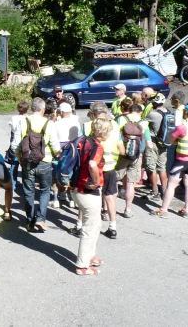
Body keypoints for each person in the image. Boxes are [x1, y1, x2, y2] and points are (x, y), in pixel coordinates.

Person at [150, 103, 188, 219]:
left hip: (182, 160)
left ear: (186, 113)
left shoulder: (182, 127)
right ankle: (187, 210)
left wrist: (176, 141)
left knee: (171, 185)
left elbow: (171, 139)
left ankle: (164, 210)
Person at [17, 97, 61, 233]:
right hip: (45, 162)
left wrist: (20, 159)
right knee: (45, 190)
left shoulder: (24, 122)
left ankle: (30, 220)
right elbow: (55, 146)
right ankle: (41, 219)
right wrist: (57, 154)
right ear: (43, 110)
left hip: (27, 162)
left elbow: (15, 146)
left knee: (28, 192)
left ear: (32, 109)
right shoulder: (48, 124)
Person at [81, 102, 122, 239]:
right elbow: (121, 148)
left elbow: (83, 146)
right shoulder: (115, 126)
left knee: (88, 196)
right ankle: (112, 227)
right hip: (110, 167)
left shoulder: (88, 126)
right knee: (110, 197)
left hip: (94, 168)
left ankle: (80, 225)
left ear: (93, 113)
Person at [73, 118, 107, 276]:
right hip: (87, 190)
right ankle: (82, 266)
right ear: (104, 132)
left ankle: (90, 256)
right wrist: (95, 181)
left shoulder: (84, 140)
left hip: (76, 187)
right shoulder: (97, 147)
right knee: (89, 228)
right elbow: (92, 164)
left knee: (96, 224)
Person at [115, 101, 149, 219]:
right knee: (130, 183)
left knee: (114, 180)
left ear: (129, 111)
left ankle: (108, 208)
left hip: (122, 154)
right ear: (140, 112)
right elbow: (148, 143)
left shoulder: (122, 119)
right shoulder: (144, 123)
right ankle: (128, 209)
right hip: (136, 156)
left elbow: (116, 135)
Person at [51, 101, 80, 209]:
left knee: (56, 172)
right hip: (73, 150)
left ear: (61, 112)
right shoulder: (76, 123)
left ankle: (55, 198)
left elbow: (53, 139)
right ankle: (71, 199)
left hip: (61, 149)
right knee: (70, 172)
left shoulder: (57, 124)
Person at [145, 93, 169, 201]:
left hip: (154, 142)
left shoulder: (152, 114)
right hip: (164, 143)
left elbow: (142, 123)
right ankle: (164, 190)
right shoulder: (169, 113)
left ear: (155, 102)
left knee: (151, 167)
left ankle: (155, 192)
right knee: (162, 167)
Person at [7, 100, 29, 192]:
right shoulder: (29, 118)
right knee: (25, 166)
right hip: (25, 143)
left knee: (14, 164)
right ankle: (26, 186)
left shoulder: (13, 118)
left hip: (15, 143)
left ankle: (13, 184)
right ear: (27, 109)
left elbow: (12, 129)